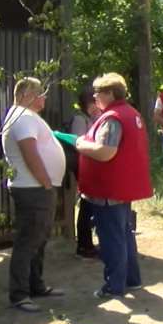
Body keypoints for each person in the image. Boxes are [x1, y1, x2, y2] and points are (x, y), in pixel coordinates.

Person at [76, 73, 151, 299]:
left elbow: (106, 151)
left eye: (98, 93)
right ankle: (132, 280)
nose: (95, 97)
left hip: (109, 189)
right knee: (124, 235)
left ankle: (114, 286)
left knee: (111, 239)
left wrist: (81, 144)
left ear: (110, 93)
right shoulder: (131, 113)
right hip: (121, 188)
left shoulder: (113, 118)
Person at [1, 77, 67, 312]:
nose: (44, 98)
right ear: (26, 94)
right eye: (40, 93)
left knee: (38, 239)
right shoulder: (24, 117)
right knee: (28, 241)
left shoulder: (24, 116)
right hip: (33, 188)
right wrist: (45, 181)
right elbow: (30, 153)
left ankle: (35, 285)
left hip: (35, 187)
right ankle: (19, 295)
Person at [67, 89, 101, 258]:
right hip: (84, 166)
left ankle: (89, 243)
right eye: (92, 104)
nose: (96, 107)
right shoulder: (80, 119)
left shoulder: (94, 118)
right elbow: (78, 142)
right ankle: (84, 245)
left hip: (93, 165)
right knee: (87, 205)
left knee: (92, 204)